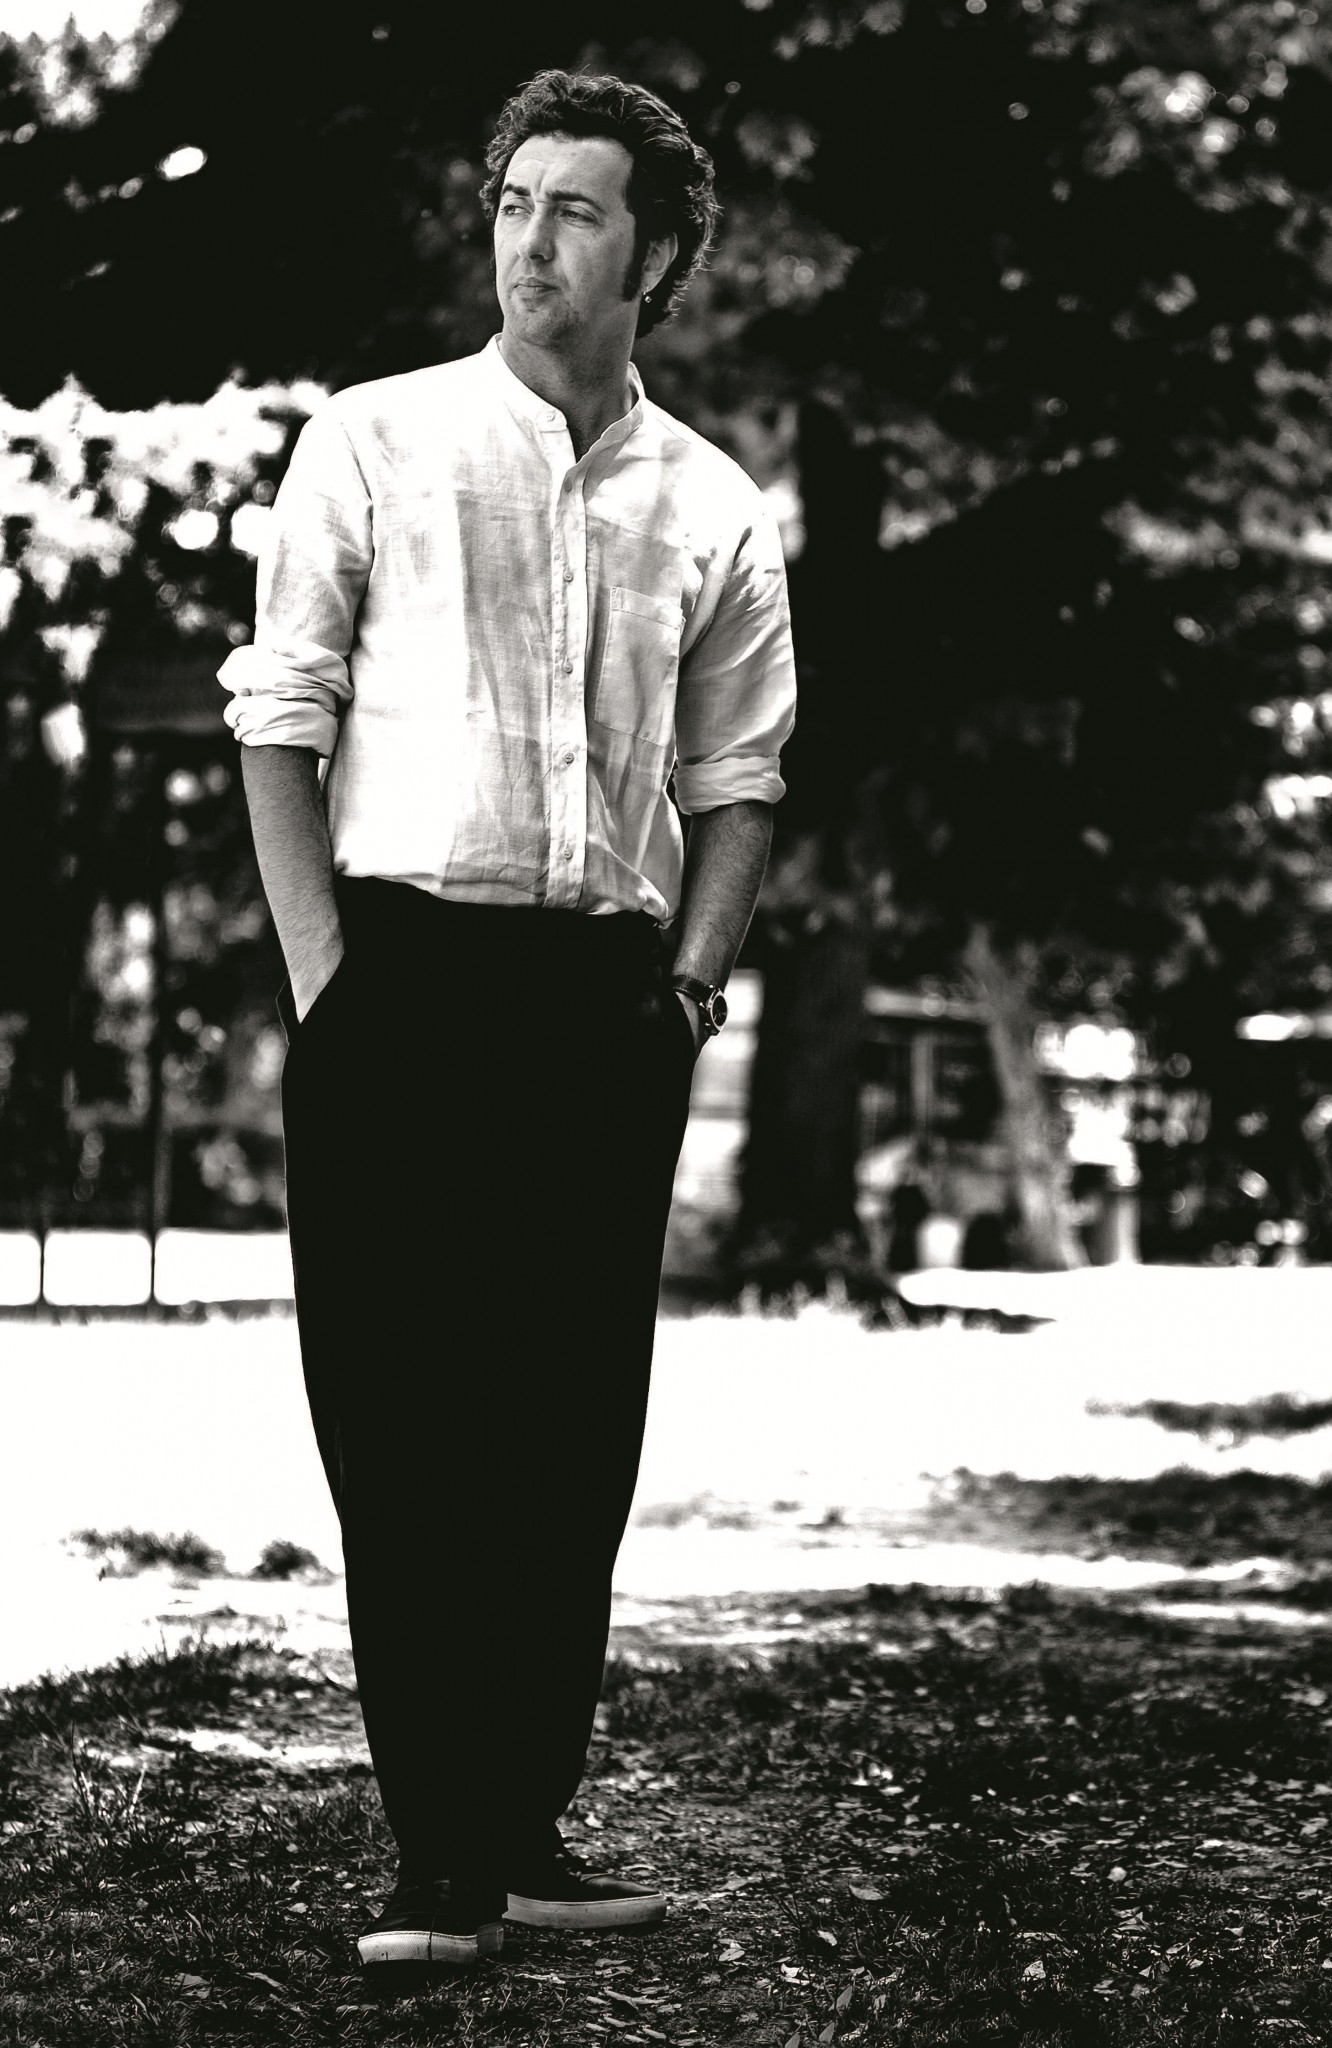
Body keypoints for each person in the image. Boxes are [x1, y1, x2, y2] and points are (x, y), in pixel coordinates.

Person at [220, 68, 796, 1973]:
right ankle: (437, 1858)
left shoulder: (708, 503)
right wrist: (329, 979)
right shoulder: (374, 439)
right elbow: (280, 713)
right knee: (404, 1422)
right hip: (399, 976)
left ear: (657, 257)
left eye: (577, 210)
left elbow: (736, 776)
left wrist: (686, 993)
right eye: (513, 202)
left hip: (598, 1003)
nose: (530, 240)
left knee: (565, 1429)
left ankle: (523, 1825)